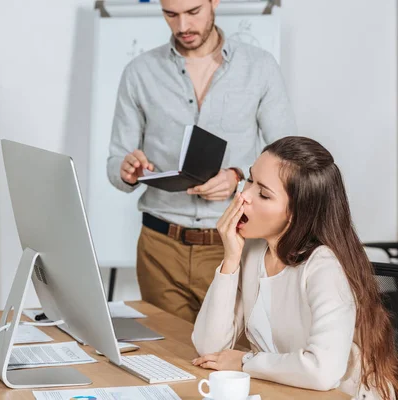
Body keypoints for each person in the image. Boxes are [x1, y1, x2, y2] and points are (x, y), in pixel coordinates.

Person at [106, 0, 296, 323]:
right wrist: (127, 170)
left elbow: (288, 158)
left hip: (235, 242)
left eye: (193, 12)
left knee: (231, 357)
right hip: (160, 250)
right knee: (167, 360)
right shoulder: (138, 73)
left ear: (214, 2)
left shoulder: (260, 67)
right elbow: (115, 163)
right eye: (171, 14)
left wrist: (238, 177)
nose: (182, 27)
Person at [191, 136, 398, 400]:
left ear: (297, 212)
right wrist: (229, 261)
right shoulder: (252, 251)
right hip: (284, 393)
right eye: (249, 180)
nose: (243, 196)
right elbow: (210, 349)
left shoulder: (324, 267)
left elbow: (322, 372)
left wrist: (244, 362)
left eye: (263, 193)